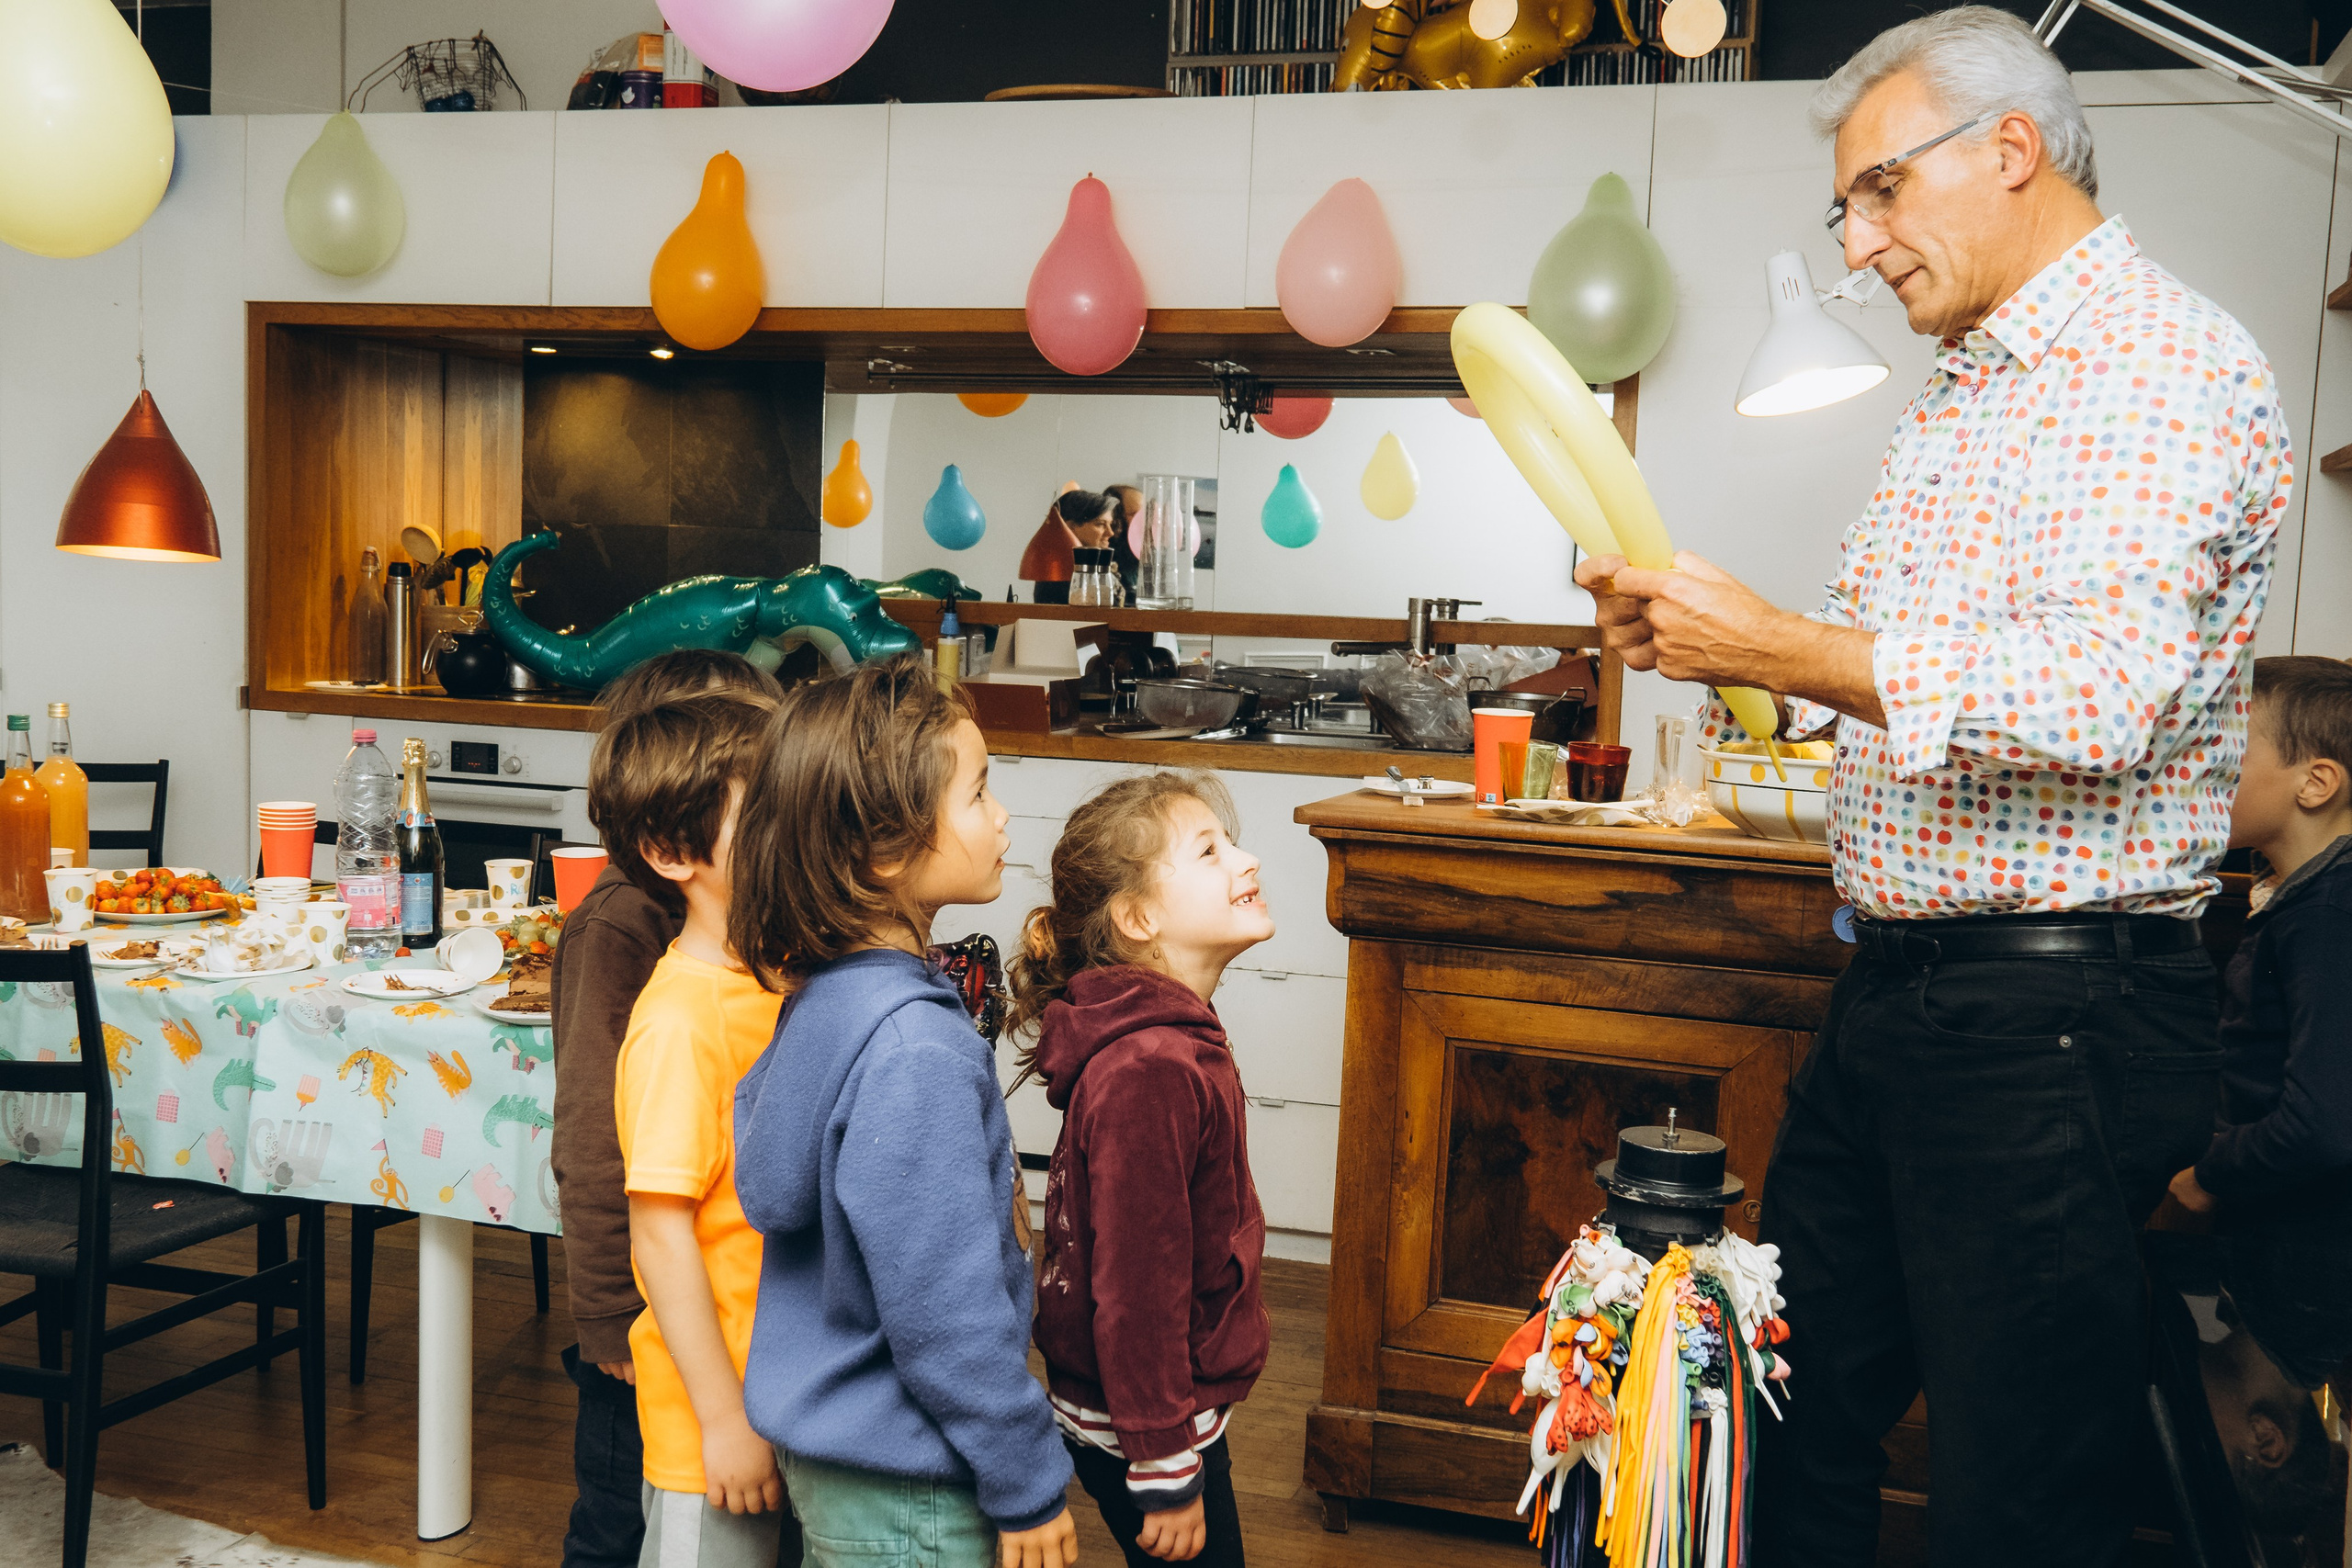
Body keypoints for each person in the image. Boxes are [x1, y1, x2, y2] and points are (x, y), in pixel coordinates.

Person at [1569, 10, 2292, 1564]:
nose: (1857, 241)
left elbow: (2103, 697)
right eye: (1847, 205)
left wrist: (1780, 639)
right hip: (1901, 999)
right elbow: (1909, 685)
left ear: (2011, 149)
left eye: (1881, 190)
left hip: (2051, 1021)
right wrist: (1724, 654)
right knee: (1783, 1410)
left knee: (2019, 1493)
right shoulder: (1971, 392)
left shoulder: (2163, 366)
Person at [728, 655, 1078, 1568]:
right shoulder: (915, 1050)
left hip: (844, 1463)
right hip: (913, 1479)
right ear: (885, 851)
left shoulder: (826, 1001)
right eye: (978, 793)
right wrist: (1026, 1477)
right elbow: (944, 1310)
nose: (1001, 817)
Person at [1008, 773, 1275, 1567]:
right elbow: (1138, 1285)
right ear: (1137, 918)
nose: (1246, 859)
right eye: (1209, 849)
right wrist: (1164, 1464)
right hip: (1150, 1425)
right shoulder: (1151, 1065)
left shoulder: (1164, 1034)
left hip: (1151, 1409)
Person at [553, 650, 783, 1568]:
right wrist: (608, 1316)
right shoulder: (622, 928)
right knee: (616, 1521)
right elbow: (593, 1142)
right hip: (640, 1327)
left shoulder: (753, 935)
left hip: (723, 1329)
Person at [2168, 657, 2352, 1400]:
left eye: (2227, 749)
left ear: (2315, 783)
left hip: (2307, 1251)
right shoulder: (2303, 897)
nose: (2202, 767)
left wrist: (2210, 1175)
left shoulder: (2327, 915)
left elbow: (2326, 1122)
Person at [1029, 489, 1122, 605]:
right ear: (1069, 526)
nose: (1110, 533)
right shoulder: (1060, 573)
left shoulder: (1097, 570)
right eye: (1100, 524)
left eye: (1110, 524)